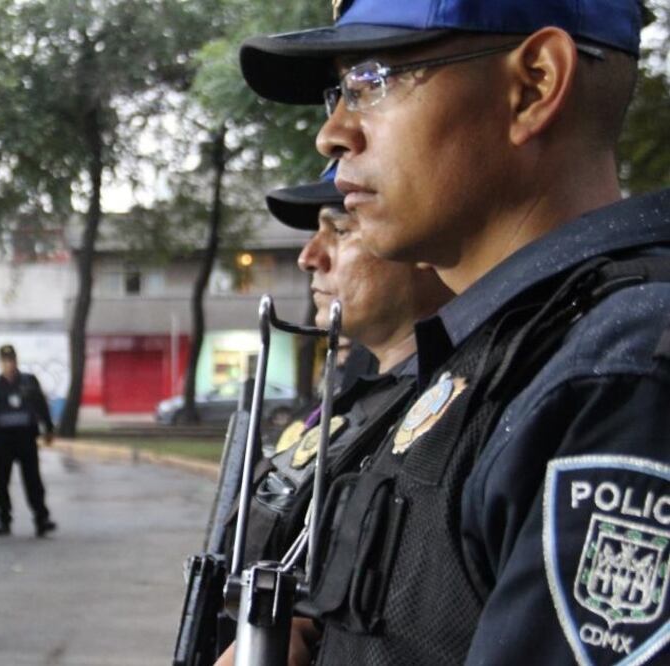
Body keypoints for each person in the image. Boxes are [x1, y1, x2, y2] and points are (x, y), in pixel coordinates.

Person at [239, 1, 670, 663]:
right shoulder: (506, 352)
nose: (331, 134)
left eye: (370, 82)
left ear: (533, 84)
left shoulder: (615, 374)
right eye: (339, 92)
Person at [214, 173, 452, 664]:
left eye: (340, 230)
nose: (309, 257)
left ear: (425, 241)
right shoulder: (361, 401)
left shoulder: (451, 415)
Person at [0, 344, 58, 537]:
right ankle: (4, 520)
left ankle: (41, 519)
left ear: (16, 361)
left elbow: (41, 405)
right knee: (2, 481)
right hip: (2, 440)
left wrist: (49, 428)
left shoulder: (29, 382)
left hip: (26, 438)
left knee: (33, 480)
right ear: (0, 363)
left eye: (11, 360)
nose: (8, 364)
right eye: (4, 361)